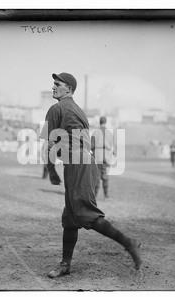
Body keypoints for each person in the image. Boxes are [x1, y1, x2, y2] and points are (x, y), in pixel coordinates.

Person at [41, 72, 142, 279]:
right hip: (85, 163)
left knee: (85, 214)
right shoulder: (79, 110)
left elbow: (49, 145)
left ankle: (128, 243)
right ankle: (65, 265)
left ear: (68, 88)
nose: (53, 87)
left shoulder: (56, 108)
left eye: (57, 84)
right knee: (70, 218)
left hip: (78, 165)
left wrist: (51, 171)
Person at [91, 116, 113, 199]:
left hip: (98, 156)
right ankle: (106, 196)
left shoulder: (95, 132)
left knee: (96, 177)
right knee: (105, 177)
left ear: (99, 122)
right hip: (106, 157)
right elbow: (111, 146)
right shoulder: (109, 133)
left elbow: (92, 145)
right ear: (105, 122)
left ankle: (95, 196)